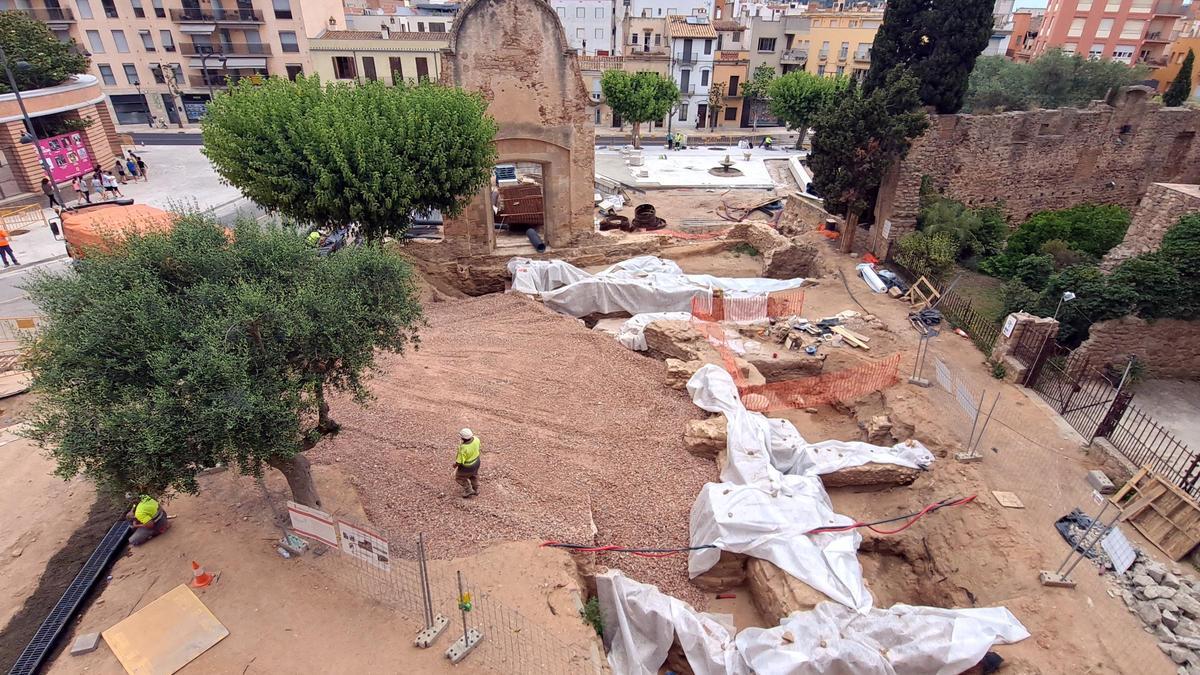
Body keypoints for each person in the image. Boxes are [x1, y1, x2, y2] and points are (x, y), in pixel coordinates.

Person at [452, 428, 481, 498]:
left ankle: (468, 490)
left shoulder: (463, 448)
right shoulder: (476, 439)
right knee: (473, 475)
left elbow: (459, 461)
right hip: (477, 462)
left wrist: (455, 465)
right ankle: (476, 489)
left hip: (467, 466)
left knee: (459, 477)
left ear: (462, 438)